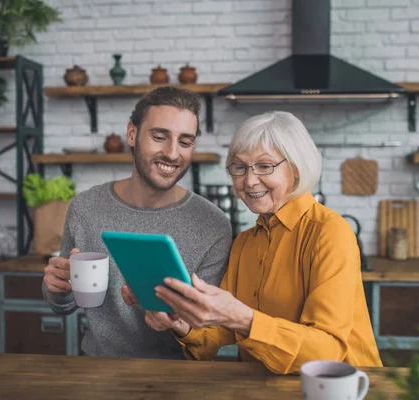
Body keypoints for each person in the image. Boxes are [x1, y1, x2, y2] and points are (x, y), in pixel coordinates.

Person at [123, 111, 382, 374]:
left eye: (265, 166)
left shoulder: (329, 232)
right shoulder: (245, 243)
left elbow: (327, 352)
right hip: (265, 387)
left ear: (295, 168)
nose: (249, 180)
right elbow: (219, 333)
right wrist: (178, 323)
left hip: (343, 387)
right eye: (240, 167)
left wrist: (242, 318)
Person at [42, 86, 233, 359]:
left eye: (185, 142)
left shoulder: (213, 226)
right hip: (97, 369)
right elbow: (63, 305)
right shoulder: (85, 208)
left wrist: (175, 319)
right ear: (132, 134)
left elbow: (207, 333)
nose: (172, 153)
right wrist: (57, 288)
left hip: (177, 378)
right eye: (159, 136)